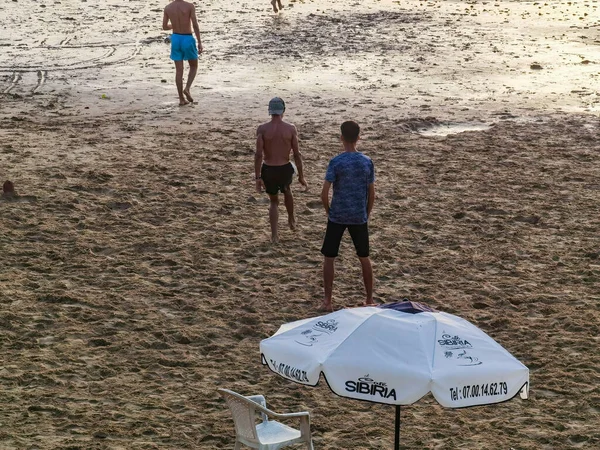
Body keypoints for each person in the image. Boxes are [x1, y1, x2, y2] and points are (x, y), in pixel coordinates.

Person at [320, 121, 375, 311]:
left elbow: (324, 192)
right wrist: (365, 213)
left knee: (329, 257)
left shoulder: (336, 162)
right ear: (359, 137)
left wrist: (329, 211)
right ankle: (369, 299)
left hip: (338, 216)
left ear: (341, 137)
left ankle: (328, 301)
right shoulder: (367, 161)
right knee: (364, 257)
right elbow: (372, 193)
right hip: (358, 216)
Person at [255, 97, 307, 243]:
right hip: (284, 168)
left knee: (273, 202)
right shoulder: (290, 128)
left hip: (269, 168)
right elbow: (297, 154)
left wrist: (258, 177)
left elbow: (259, 155)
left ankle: (274, 235)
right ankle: (291, 218)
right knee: (287, 190)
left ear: (270, 111)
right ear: (283, 110)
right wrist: (301, 176)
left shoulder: (262, 129)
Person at [163, 0, 203, 106]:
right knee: (193, 66)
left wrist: (174, 25)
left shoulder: (168, 8)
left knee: (179, 71)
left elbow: (164, 26)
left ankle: (181, 99)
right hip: (187, 38)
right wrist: (199, 41)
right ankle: (187, 88)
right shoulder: (189, 6)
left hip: (175, 38)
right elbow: (195, 24)